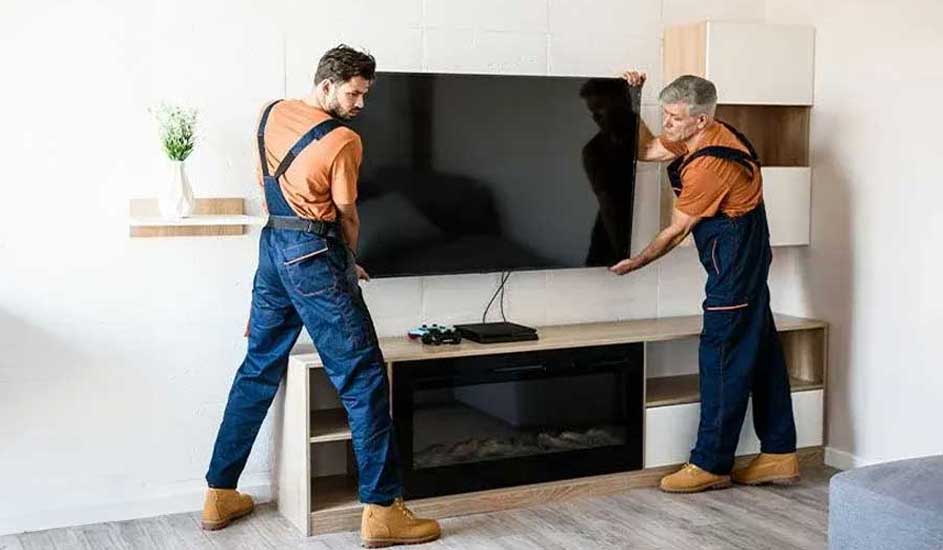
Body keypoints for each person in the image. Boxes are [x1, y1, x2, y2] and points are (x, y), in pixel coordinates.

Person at [201, 45, 441, 547]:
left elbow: (275, 185)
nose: (360, 104)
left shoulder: (271, 113)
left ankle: (219, 492)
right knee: (364, 377)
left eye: (365, 94)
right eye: (354, 93)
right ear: (327, 84)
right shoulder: (344, 140)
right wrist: (347, 264)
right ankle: (382, 511)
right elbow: (346, 214)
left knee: (258, 366)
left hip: (273, 249)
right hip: (315, 254)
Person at [613, 71, 800, 493]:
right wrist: (632, 97)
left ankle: (711, 463)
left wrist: (636, 262)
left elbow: (676, 232)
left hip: (734, 265)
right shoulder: (702, 134)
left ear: (700, 120)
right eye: (665, 115)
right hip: (743, 258)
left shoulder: (711, 165)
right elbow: (645, 149)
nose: (668, 125)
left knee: (720, 356)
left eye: (675, 118)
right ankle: (779, 452)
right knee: (762, 352)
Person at [579, 78, 639, 267]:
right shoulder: (593, 150)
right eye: (592, 111)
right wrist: (624, 255)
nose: (595, 116)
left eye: (600, 107)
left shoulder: (649, 132)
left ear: (622, 101)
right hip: (612, 237)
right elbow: (608, 206)